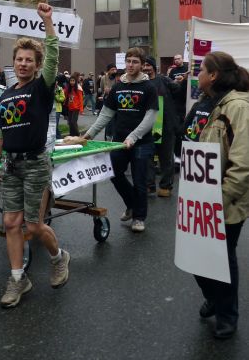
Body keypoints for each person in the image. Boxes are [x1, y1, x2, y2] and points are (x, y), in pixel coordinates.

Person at [0, 3, 70, 308]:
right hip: (11, 165)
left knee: (33, 226)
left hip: (35, 164)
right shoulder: (7, 94)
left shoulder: (42, 88)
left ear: (36, 64)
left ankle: (59, 258)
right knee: (10, 223)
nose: (23, 64)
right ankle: (19, 279)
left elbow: (54, 54)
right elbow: (1, 132)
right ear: (14, 63)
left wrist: (48, 21)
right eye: (19, 59)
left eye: (28, 60)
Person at [183, 51, 249, 339]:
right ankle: (213, 297)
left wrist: (220, 200)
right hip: (202, 199)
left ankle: (227, 314)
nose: (196, 74)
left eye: (201, 70)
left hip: (226, 200)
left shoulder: (238, 107)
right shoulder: (208, 104)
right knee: (197, 254)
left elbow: (243, 162)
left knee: (221, 256)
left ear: (214, 76)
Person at [83, 48, 158, 233]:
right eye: (128, 61)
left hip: (141, 142)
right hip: (118, 141)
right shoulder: (118, 86)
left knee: (140, 181)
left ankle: (139, 218)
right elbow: (106, 114)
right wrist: (89, 134)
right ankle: (132, 205)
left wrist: (133, 136)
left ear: (142, 64)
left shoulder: (149, 87)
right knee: (114, 172)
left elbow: (151, 117)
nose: (131, 65)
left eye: (135, 62)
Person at [143, 56, 186, 197]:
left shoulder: (164, 80)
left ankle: (165, 185)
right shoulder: (140, 82)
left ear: (154, 67)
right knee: (147, 156)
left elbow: (177, 90)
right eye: (143, 65)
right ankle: (149, 185)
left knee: (166, 157)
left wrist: (182, 81)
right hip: (147, 125)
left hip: (165, 124)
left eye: (148, 65)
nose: (145, 68)